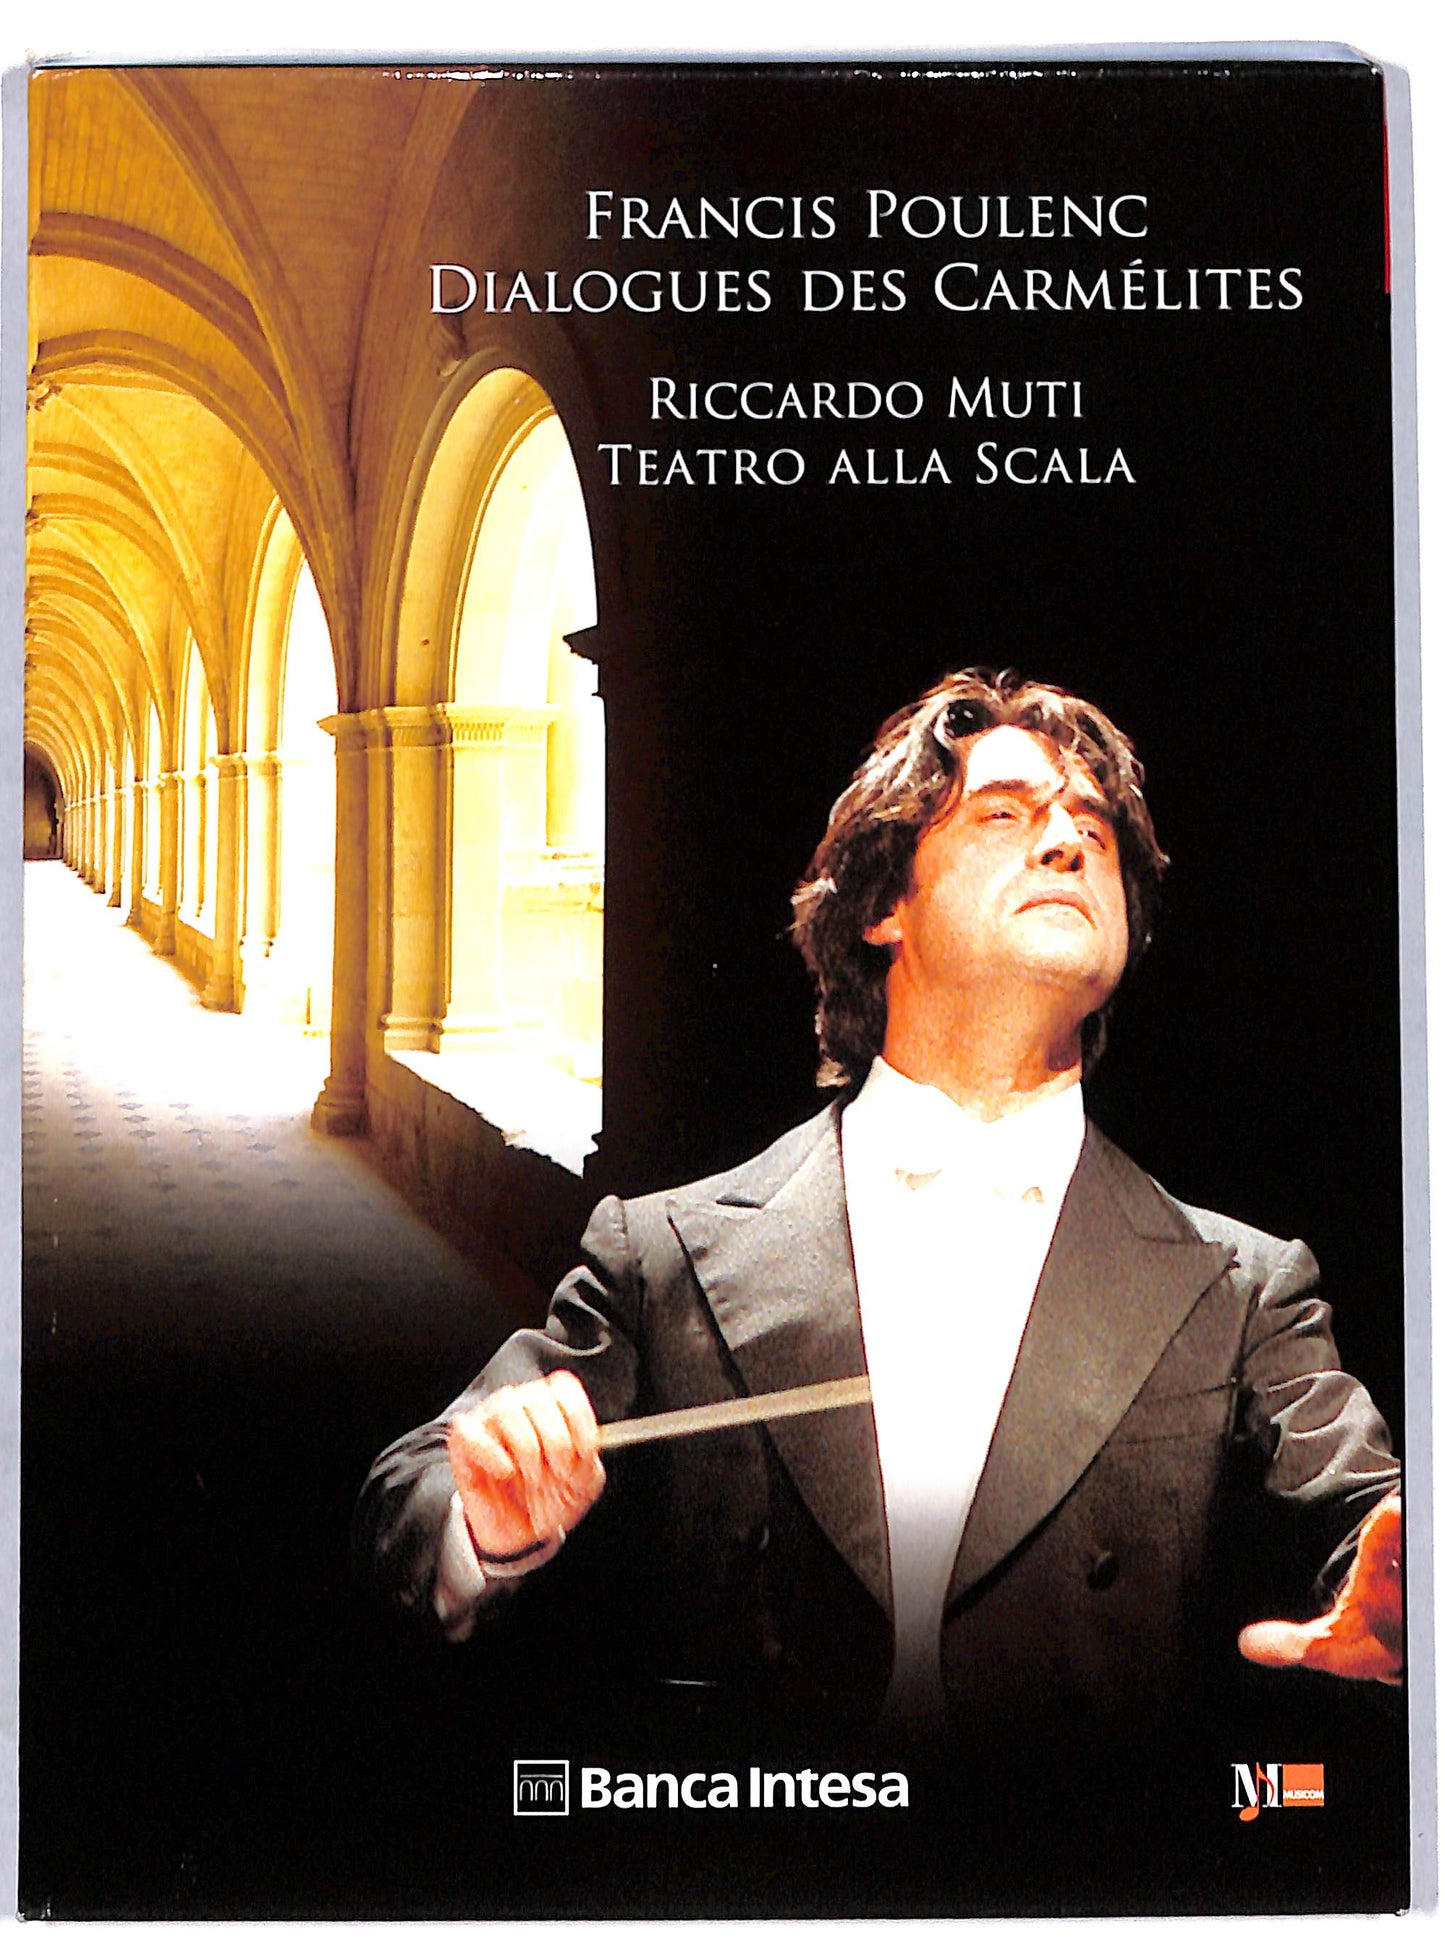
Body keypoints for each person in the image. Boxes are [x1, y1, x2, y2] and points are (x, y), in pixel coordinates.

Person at [357, 668, 1401, 1749]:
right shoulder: (661, 1252)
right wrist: (484, 1517)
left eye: (1093, 828)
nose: (1065, 842)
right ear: (880, 906)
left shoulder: (1242, 1286)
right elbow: (410, 1489)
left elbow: (1367, 1518)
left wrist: (1405, 1590)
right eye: (1004, 814)